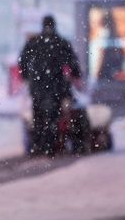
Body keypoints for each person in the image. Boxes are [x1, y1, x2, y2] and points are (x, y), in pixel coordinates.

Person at [18, 15, 82, 156]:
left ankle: (38, 145)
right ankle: (52, 145)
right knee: (55, 115)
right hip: (57, 87)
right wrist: (76, 76)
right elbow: (72, 63)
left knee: (38, 115)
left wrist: (27, 77)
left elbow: (22, 61)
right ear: (54, 25)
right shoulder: (62, 43)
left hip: (37, 88)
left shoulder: (33, 42)